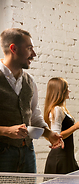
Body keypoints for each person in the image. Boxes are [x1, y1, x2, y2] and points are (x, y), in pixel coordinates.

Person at [0, 28, 63, 173]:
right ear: (13, 48)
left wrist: (49, 134)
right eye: (29, 49)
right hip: (3, 153)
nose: (33, 54)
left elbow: (34, 115)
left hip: (27, 151)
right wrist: (6, 131)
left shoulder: (30, 81)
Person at [43, 77, 79, 174]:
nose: (69, 90)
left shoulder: (61, 109)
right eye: (66, 88)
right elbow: (57, 137)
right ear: (60, 91)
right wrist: (75, 127)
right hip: (60, 158)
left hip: (67, 156)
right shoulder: (57, 109)